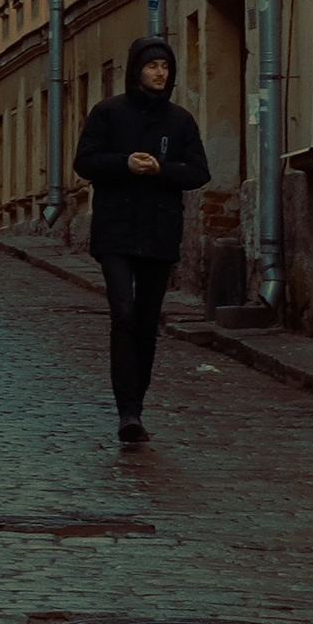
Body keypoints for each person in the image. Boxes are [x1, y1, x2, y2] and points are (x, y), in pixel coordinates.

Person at [72, 34, 212, 444]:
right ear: (137, 70)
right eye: (152, 66)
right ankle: (125, 410)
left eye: (166, 67)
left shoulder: (180, 121)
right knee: (124, 314)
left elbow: (199, 172)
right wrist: (125, 164)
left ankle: (137, 408)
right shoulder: (108, 113)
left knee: (148, 322)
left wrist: (161, 170)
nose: (159, 73)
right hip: (115, 231)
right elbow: (85, 162)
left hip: (159, 232)